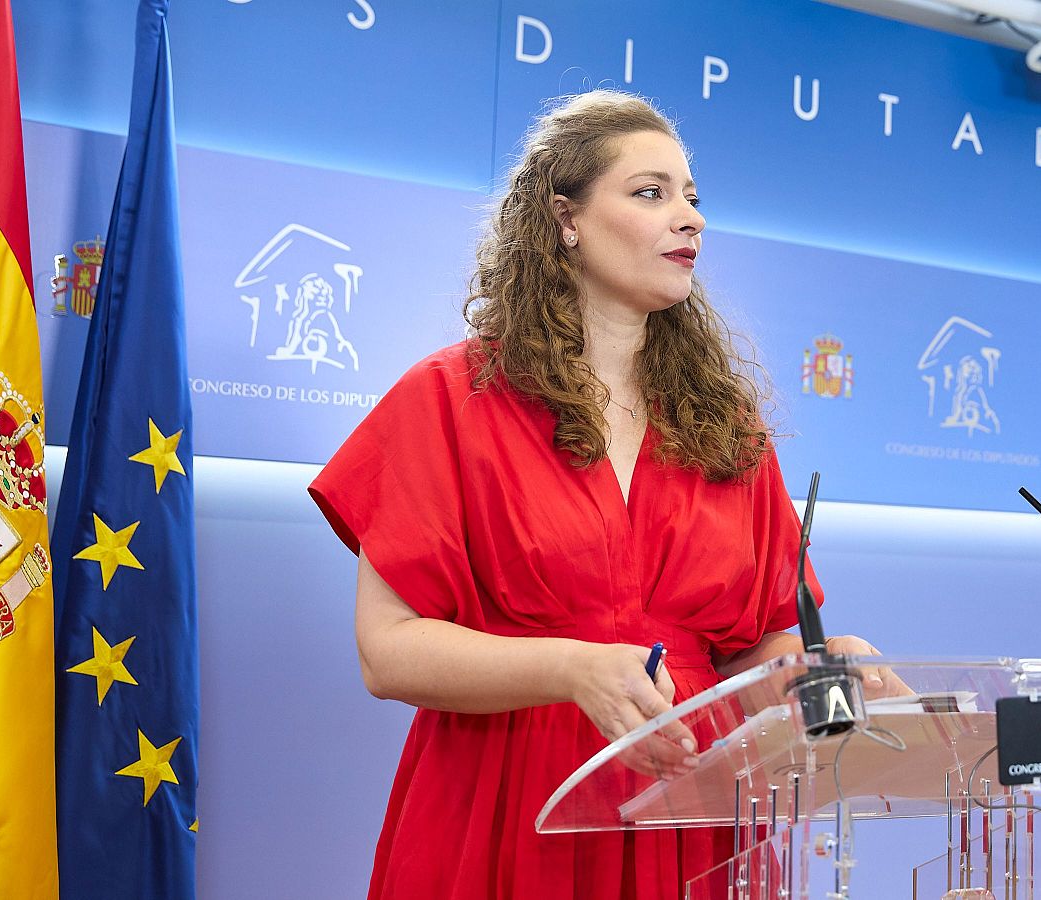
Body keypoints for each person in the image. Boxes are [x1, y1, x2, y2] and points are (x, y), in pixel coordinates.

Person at [308, 90, 892, 899]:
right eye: (651, 193)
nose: (689, 219)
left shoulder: (729, 426)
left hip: (688, 812)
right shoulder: (447, 397)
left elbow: (748, 652)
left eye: (693, 198)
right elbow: (388, 650)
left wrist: (822, 664)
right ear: (564, 219)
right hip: (505, 809)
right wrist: (573, 669)